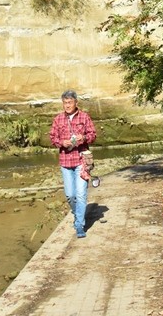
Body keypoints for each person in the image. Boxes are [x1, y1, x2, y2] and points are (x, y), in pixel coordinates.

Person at [49, 89, 97, 238]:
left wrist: (82, 138)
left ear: (76, 102)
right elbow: (52, 138)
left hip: (81, 161)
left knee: (81, 194)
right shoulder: (58, 119)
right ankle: (77, 214)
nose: (67, 105)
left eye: (70, 102)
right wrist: (62, 142)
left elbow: (93, 135)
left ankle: (80, 226)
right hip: (65, 162)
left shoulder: (84, 117)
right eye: (65, 103)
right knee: (70, 195)